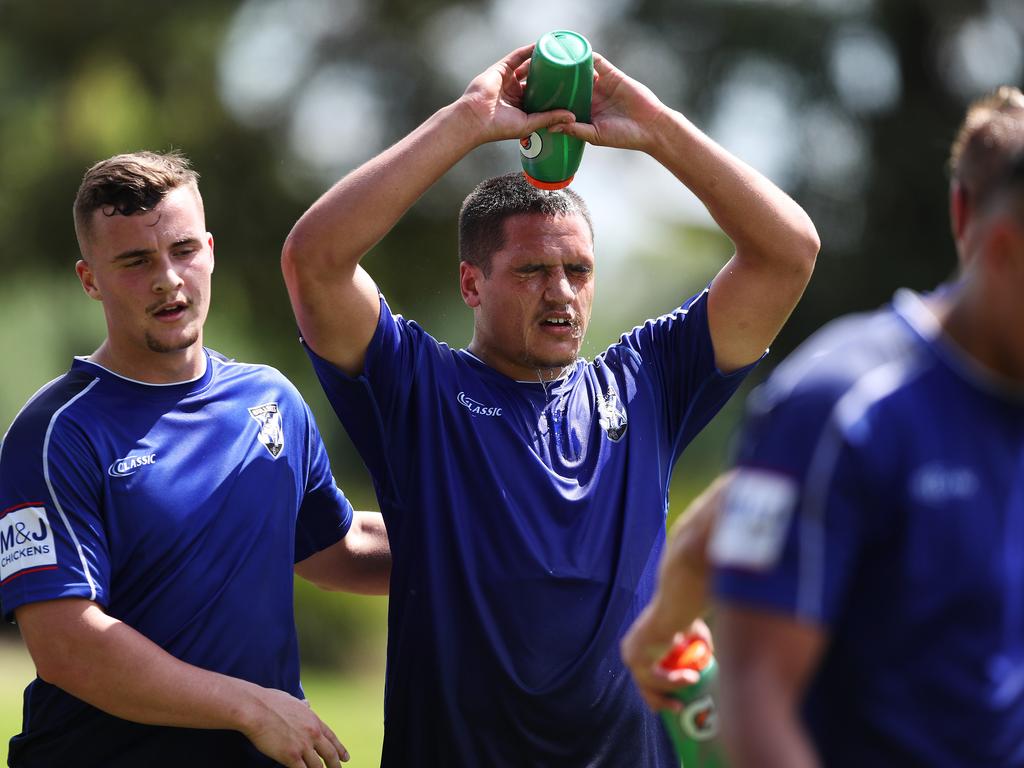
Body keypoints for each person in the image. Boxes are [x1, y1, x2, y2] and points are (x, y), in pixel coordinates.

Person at [281, 42, 818, 766]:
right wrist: (466, 122)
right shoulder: (416, 389)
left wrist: (656, 125)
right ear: (472, 285)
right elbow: (314, 258)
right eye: (532, 270)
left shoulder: (649, 380)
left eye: (578, 270)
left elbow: (788, 251)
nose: (562, 292)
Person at [623, 86, 1024, 767]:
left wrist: (657, 629)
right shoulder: (841, 406)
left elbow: (725, 516)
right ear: (1000, 245)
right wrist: (659, 630)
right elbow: (756, 692)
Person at [0, 151, 391, 768]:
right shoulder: (55, 433)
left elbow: (336, 548)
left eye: (183, 250)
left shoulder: (272, 400)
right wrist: (251, 706)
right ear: (90, 279)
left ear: (210, 249)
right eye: (135, 261)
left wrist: (491, 547)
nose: (167, 279)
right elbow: (65, 643)